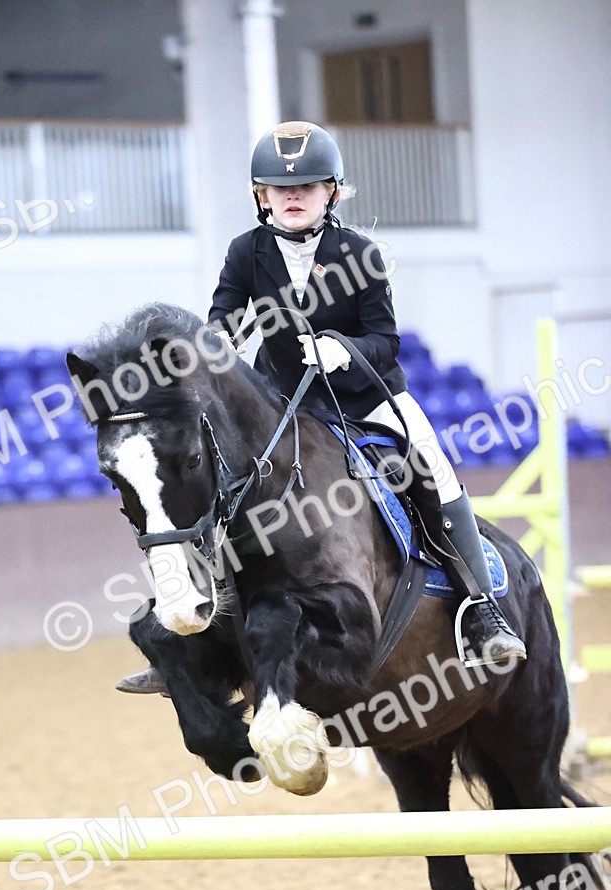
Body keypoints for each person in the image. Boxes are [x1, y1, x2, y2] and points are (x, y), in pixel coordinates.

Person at [118, 120, 525, 694]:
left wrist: (344, 349)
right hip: (281, 402)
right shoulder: (246, 251)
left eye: (306, 187)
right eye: (279, 188)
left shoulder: (362, 252)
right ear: (261, 196)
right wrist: (217, 347)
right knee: (213, 479)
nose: (292, 196)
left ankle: (482, 610)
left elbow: (387, 340)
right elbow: (222, 322)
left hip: (366, 397)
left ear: (331, 191)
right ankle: (194, 642)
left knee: (433, 465)